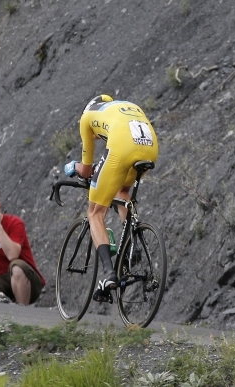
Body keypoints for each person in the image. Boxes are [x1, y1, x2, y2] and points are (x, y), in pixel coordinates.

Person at [64, 95, 158, 302]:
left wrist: (73, 167)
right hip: (150, 149)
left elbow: (87, 169)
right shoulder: (124, 107)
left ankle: (108, 274)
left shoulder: (87, 117)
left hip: (122, 147)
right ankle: (133, 243)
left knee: (95, 212)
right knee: (122, 191)